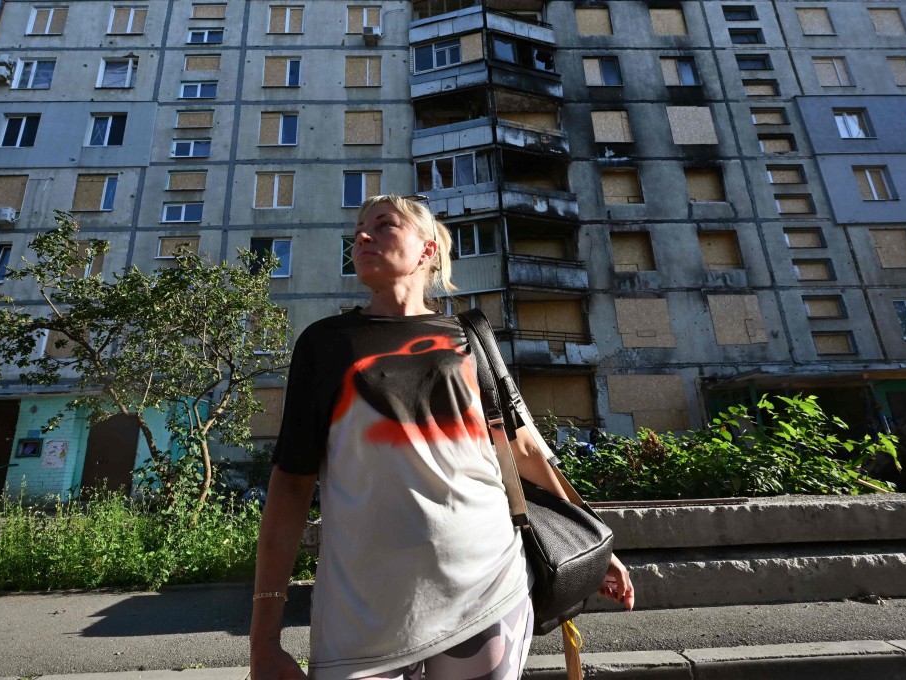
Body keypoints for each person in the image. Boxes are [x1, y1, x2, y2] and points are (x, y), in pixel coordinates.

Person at [249, 195, 635, 680]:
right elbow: (290, 485)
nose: (361, 236)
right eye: (359, 228)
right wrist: (264, 640)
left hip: (487, 584)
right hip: (360, 611)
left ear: (427, 249)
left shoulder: (468, 335)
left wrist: (597, 544)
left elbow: (525, 449)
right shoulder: (325, 343)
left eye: (384, 225)